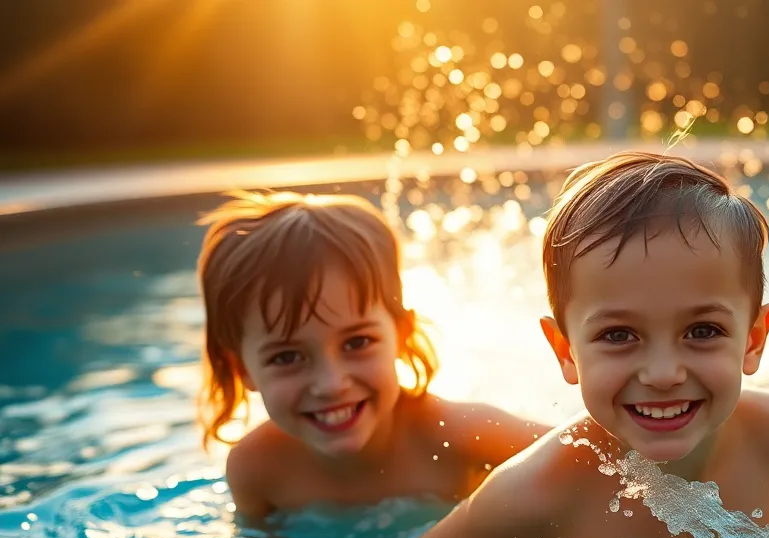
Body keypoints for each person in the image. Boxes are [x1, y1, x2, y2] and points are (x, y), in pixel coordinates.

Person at [403, 152, 769, 538]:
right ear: (566, 352)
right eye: (618, 336)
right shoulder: (541, 489)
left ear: (753, 340)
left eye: (702, 330)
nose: (664, 373)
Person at [197, 191, 546, 518]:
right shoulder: (257, 468)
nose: (331, 384)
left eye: (356, 343)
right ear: (241, 368)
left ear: (401, 333)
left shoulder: (463, 436)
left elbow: (590, 455)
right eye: (287, 357)